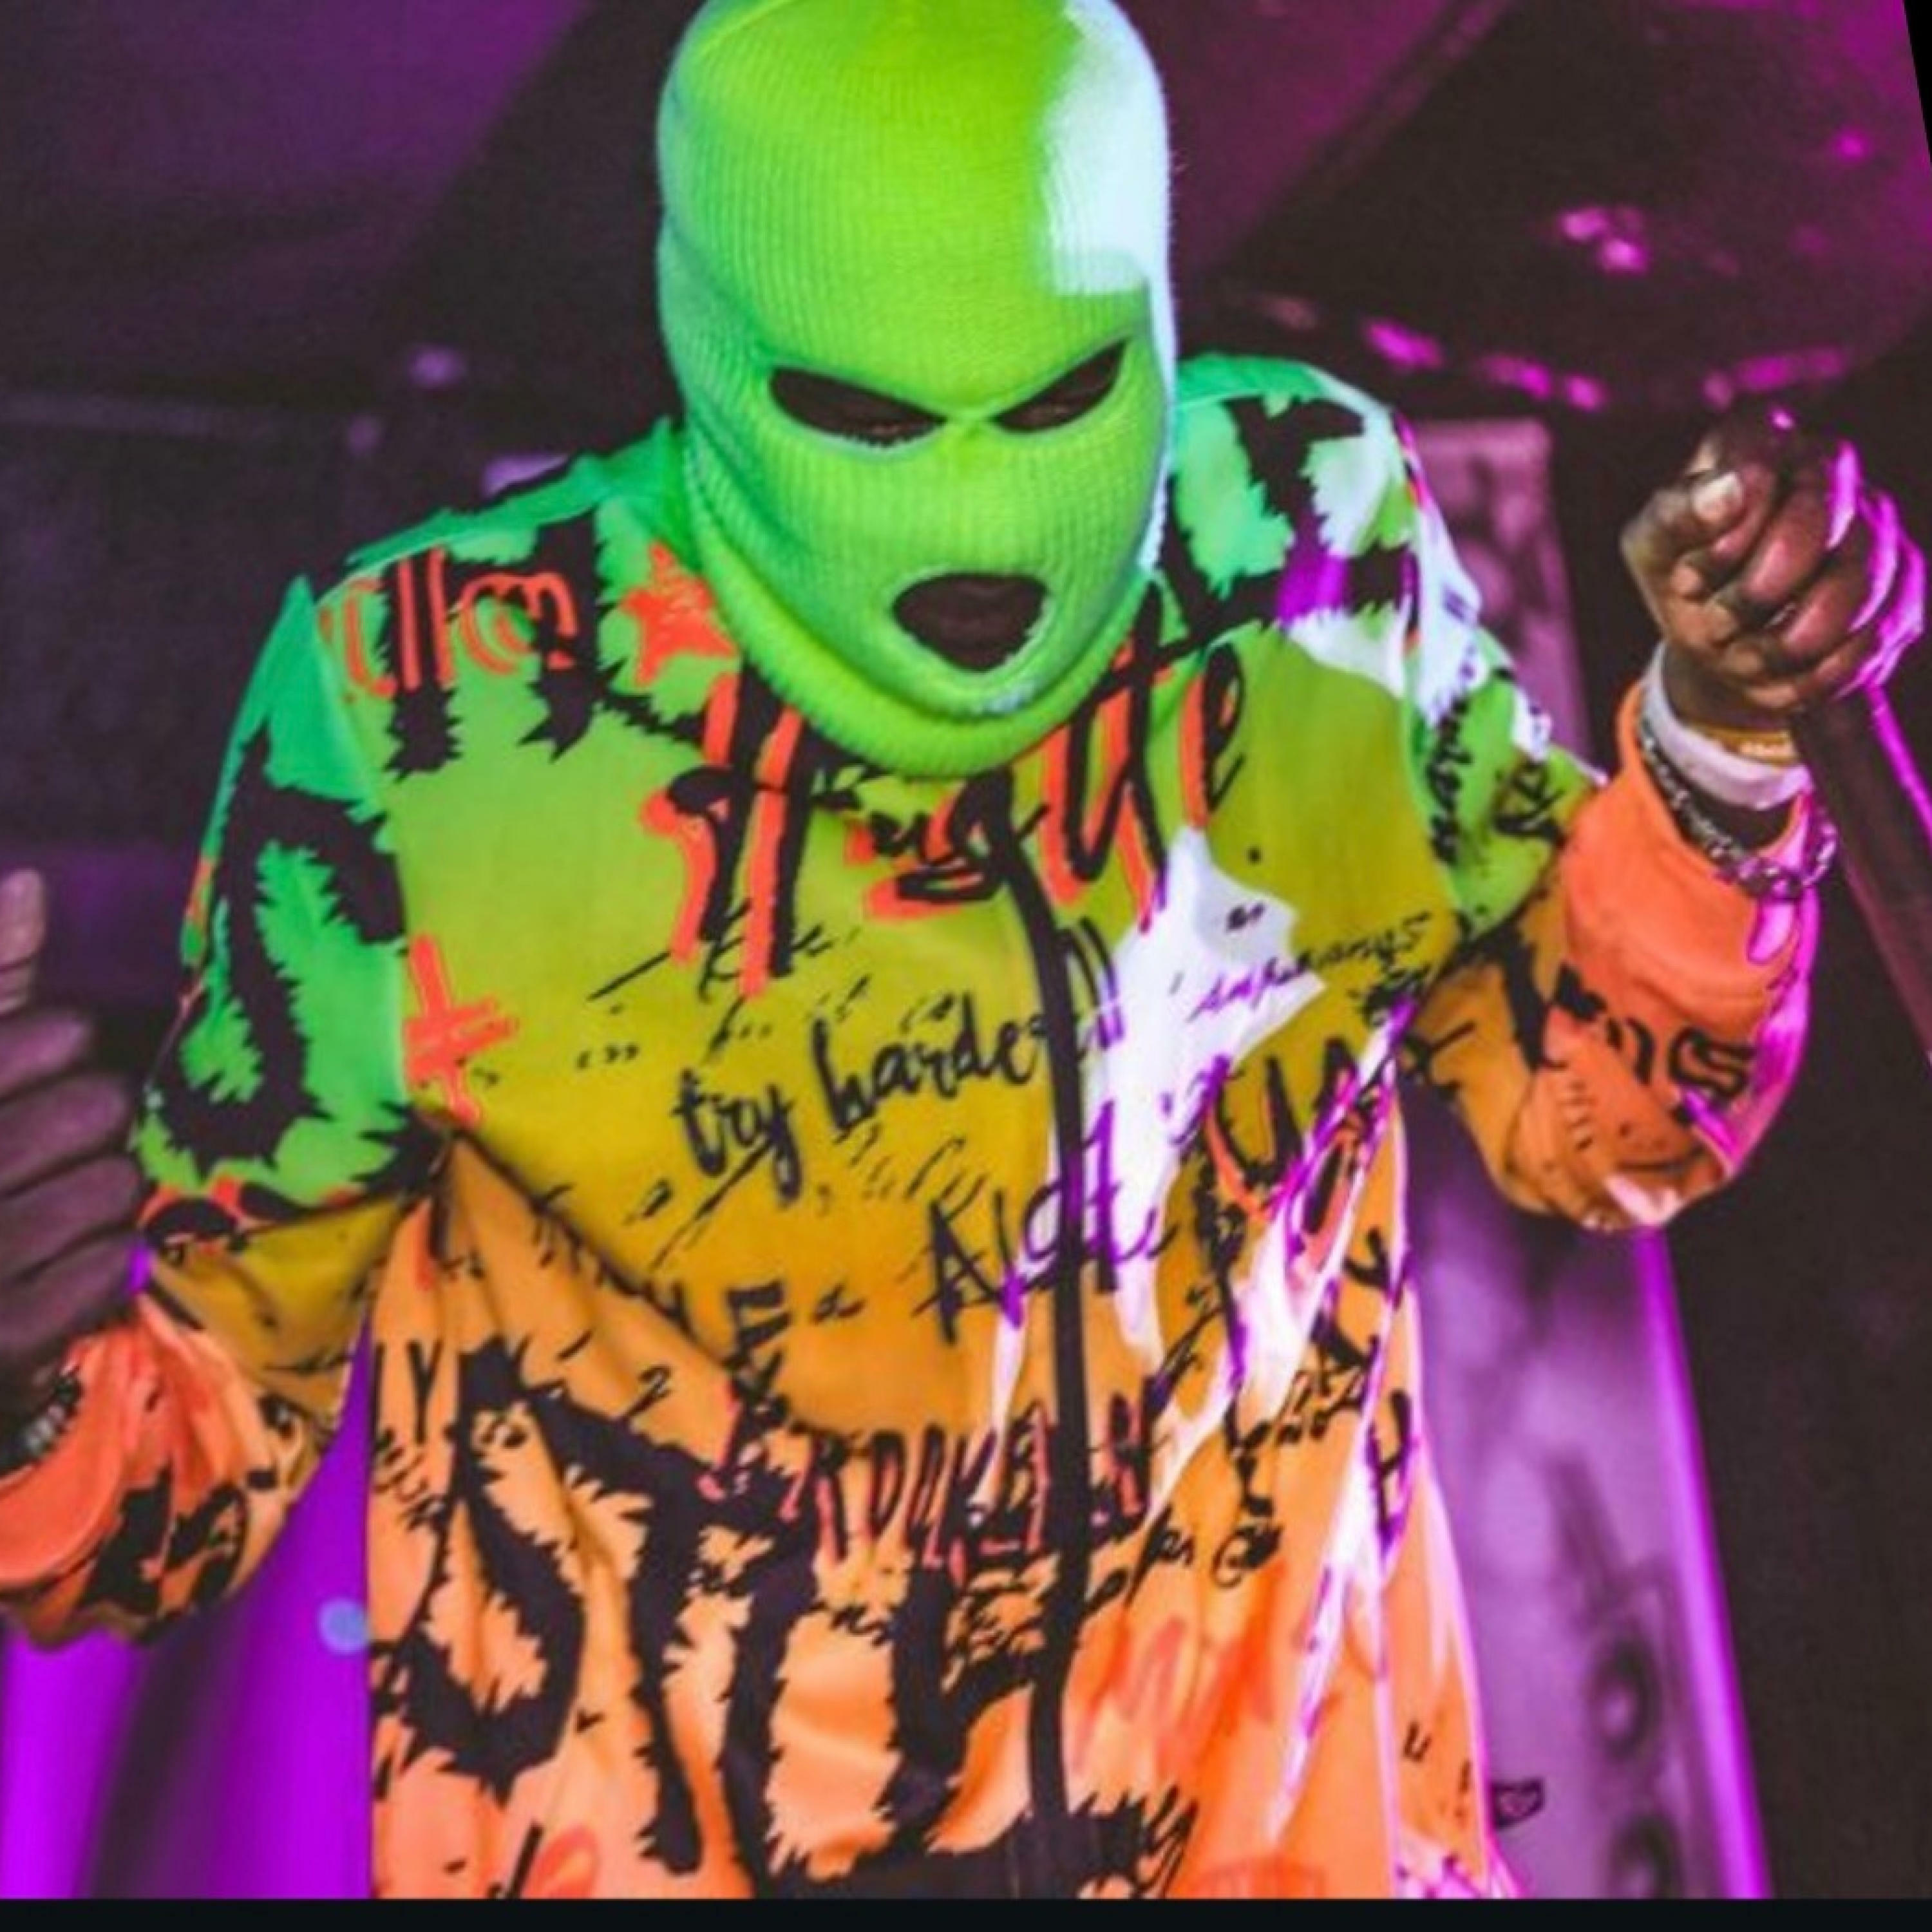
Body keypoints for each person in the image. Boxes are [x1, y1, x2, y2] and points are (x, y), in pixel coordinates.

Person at [0, 0, 1919, 1900]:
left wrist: (1719, 760)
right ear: (714, 345)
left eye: (1062, 396)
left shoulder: (1298, 545)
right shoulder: (433, 704)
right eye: (867, 419)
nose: (980, 513)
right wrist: (22, 1389)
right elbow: (177, 1472)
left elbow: (1606, 1120)